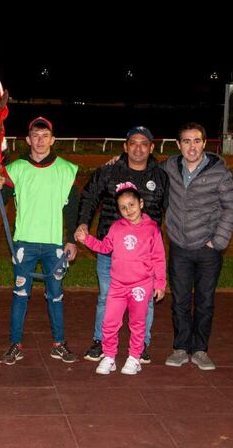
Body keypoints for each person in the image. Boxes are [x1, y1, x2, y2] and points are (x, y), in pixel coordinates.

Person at [76, 126, 169, 363]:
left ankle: (141, 346)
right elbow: (89, 197)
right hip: (111, 253)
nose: (138, 148)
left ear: (151, 148)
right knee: (107, 298)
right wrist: (83, 224)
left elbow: (167, 208)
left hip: (143, 258)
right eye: (133, 143)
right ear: (125, 147)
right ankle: (101, 342)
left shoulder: (160, 175)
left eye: (144, 143)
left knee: (144, 302)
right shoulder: (108, 171)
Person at [0, 116, 80, 365]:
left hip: (55, 245)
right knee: (20, 294)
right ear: (28, 139)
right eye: (35, 136)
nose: (40, 141)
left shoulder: (67, 169)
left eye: (45, 136)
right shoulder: (15, 168)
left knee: (56, 295)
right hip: (24, 244)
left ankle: (59, 344)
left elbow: (72, 208)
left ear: (53, 140)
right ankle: (15, 344)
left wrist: (71, 240)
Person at [162, 122, 233, 371]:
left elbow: (232, 207)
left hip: (208, 249)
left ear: (205, 144)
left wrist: (218, 241)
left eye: (197, 141)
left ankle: (200, 350)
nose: (192, 146)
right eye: (186, 141)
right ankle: (181, 347)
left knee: (205, 301)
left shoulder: (218, 171)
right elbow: (141, 172)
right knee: (180, 301)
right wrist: (116, 162)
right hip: (179, 248)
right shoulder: (169, 168)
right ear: (178, 145)